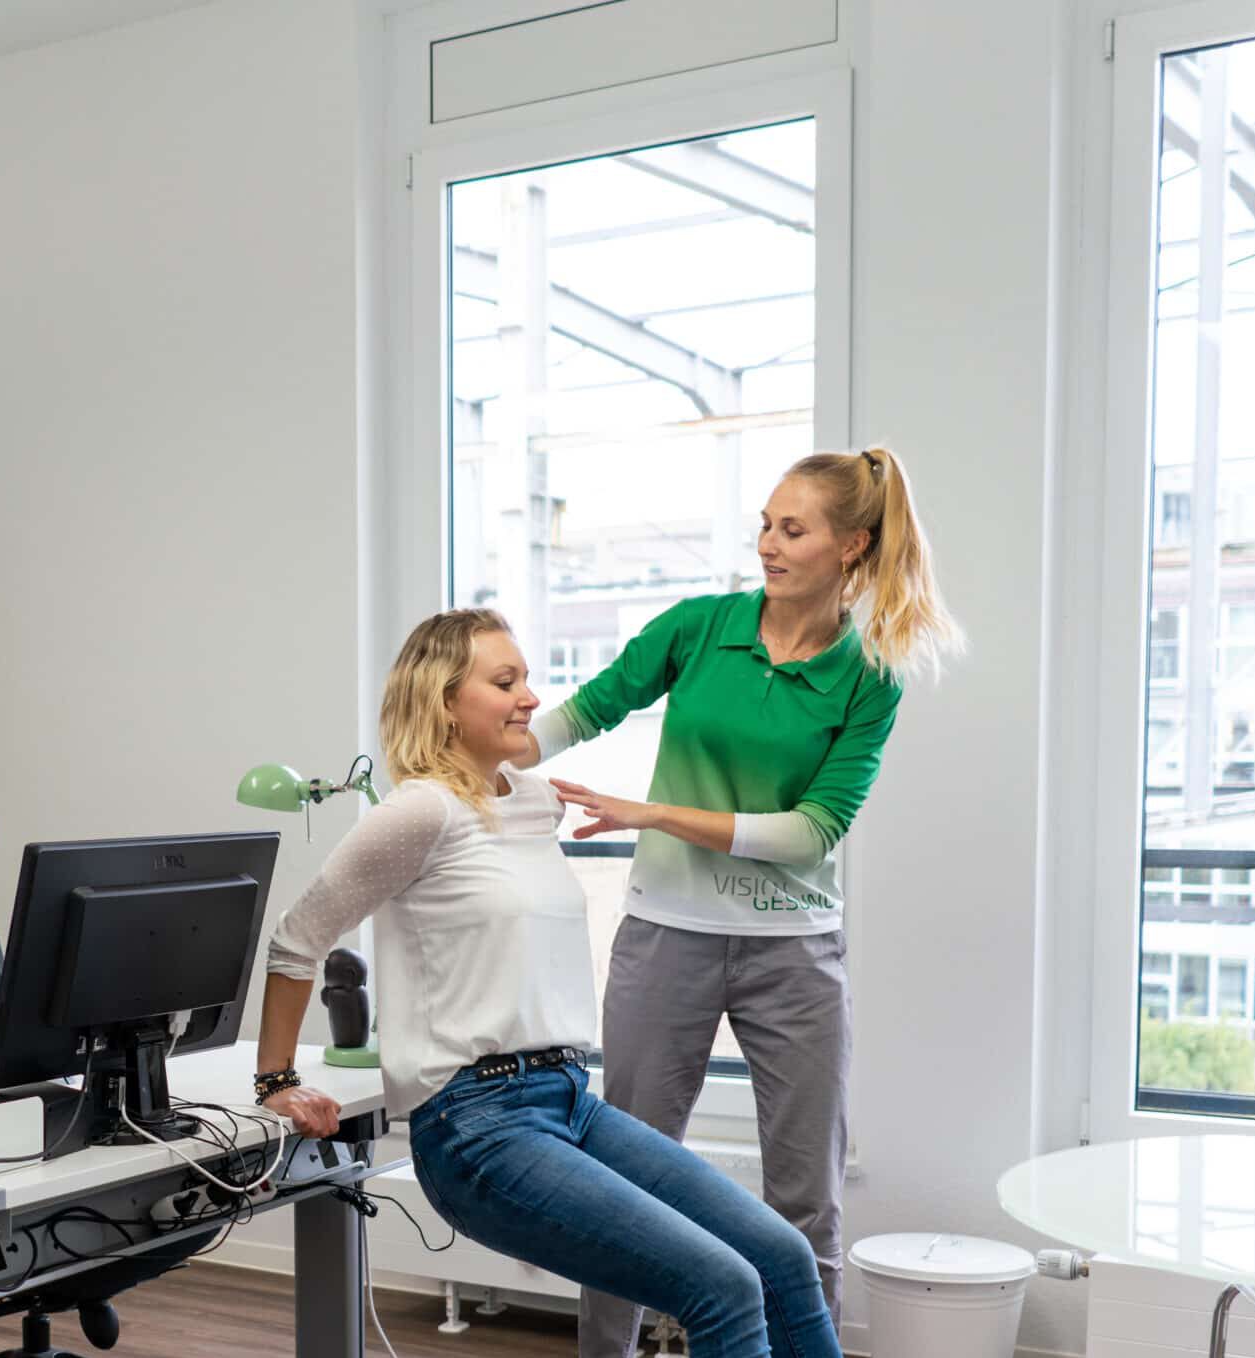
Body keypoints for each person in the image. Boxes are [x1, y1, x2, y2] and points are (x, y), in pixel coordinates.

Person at [254, 610, 841, 1358]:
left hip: (566, 1098)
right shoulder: (417, 812)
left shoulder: (532, 802)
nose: (530, 697)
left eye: (527, 677)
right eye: (505, 682)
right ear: (442, 703)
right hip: (474, 1128)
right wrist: (275, 1077)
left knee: (783, 1259)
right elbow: (297, 939)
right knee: (723, 1288)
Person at [539, 447, 959, 1357]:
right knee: (619, 1185)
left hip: (794, 955)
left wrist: (651, 812)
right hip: (667, 940)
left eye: (792, 529)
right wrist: (470, 745)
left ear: (851, 545)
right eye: (765, 523)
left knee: (805, 1202)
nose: (766, 544)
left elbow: (813, 831)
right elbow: (586, 711)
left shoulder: (869, 673)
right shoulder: (699, 628)